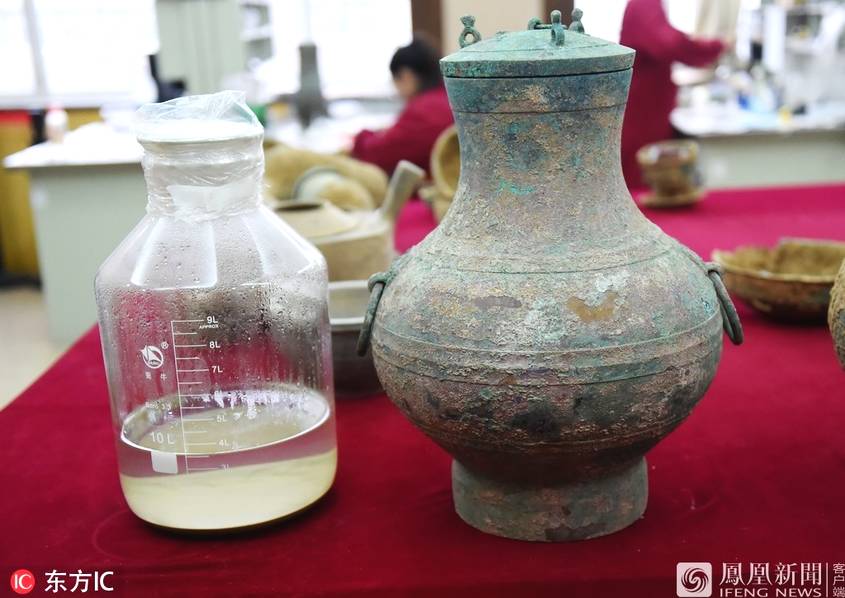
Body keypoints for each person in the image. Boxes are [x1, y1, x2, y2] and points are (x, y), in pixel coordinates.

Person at [620, 0, 726, 189]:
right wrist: (716, 47)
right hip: (642, 116)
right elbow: (669, 44)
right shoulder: (644, 3)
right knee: (642, 177)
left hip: (648, 113)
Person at [351, 38, 454, 174]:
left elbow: (378, 154)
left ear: (406, 76)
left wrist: (360, 137)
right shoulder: (450, 97)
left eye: (394, 80)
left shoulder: (423, 111)